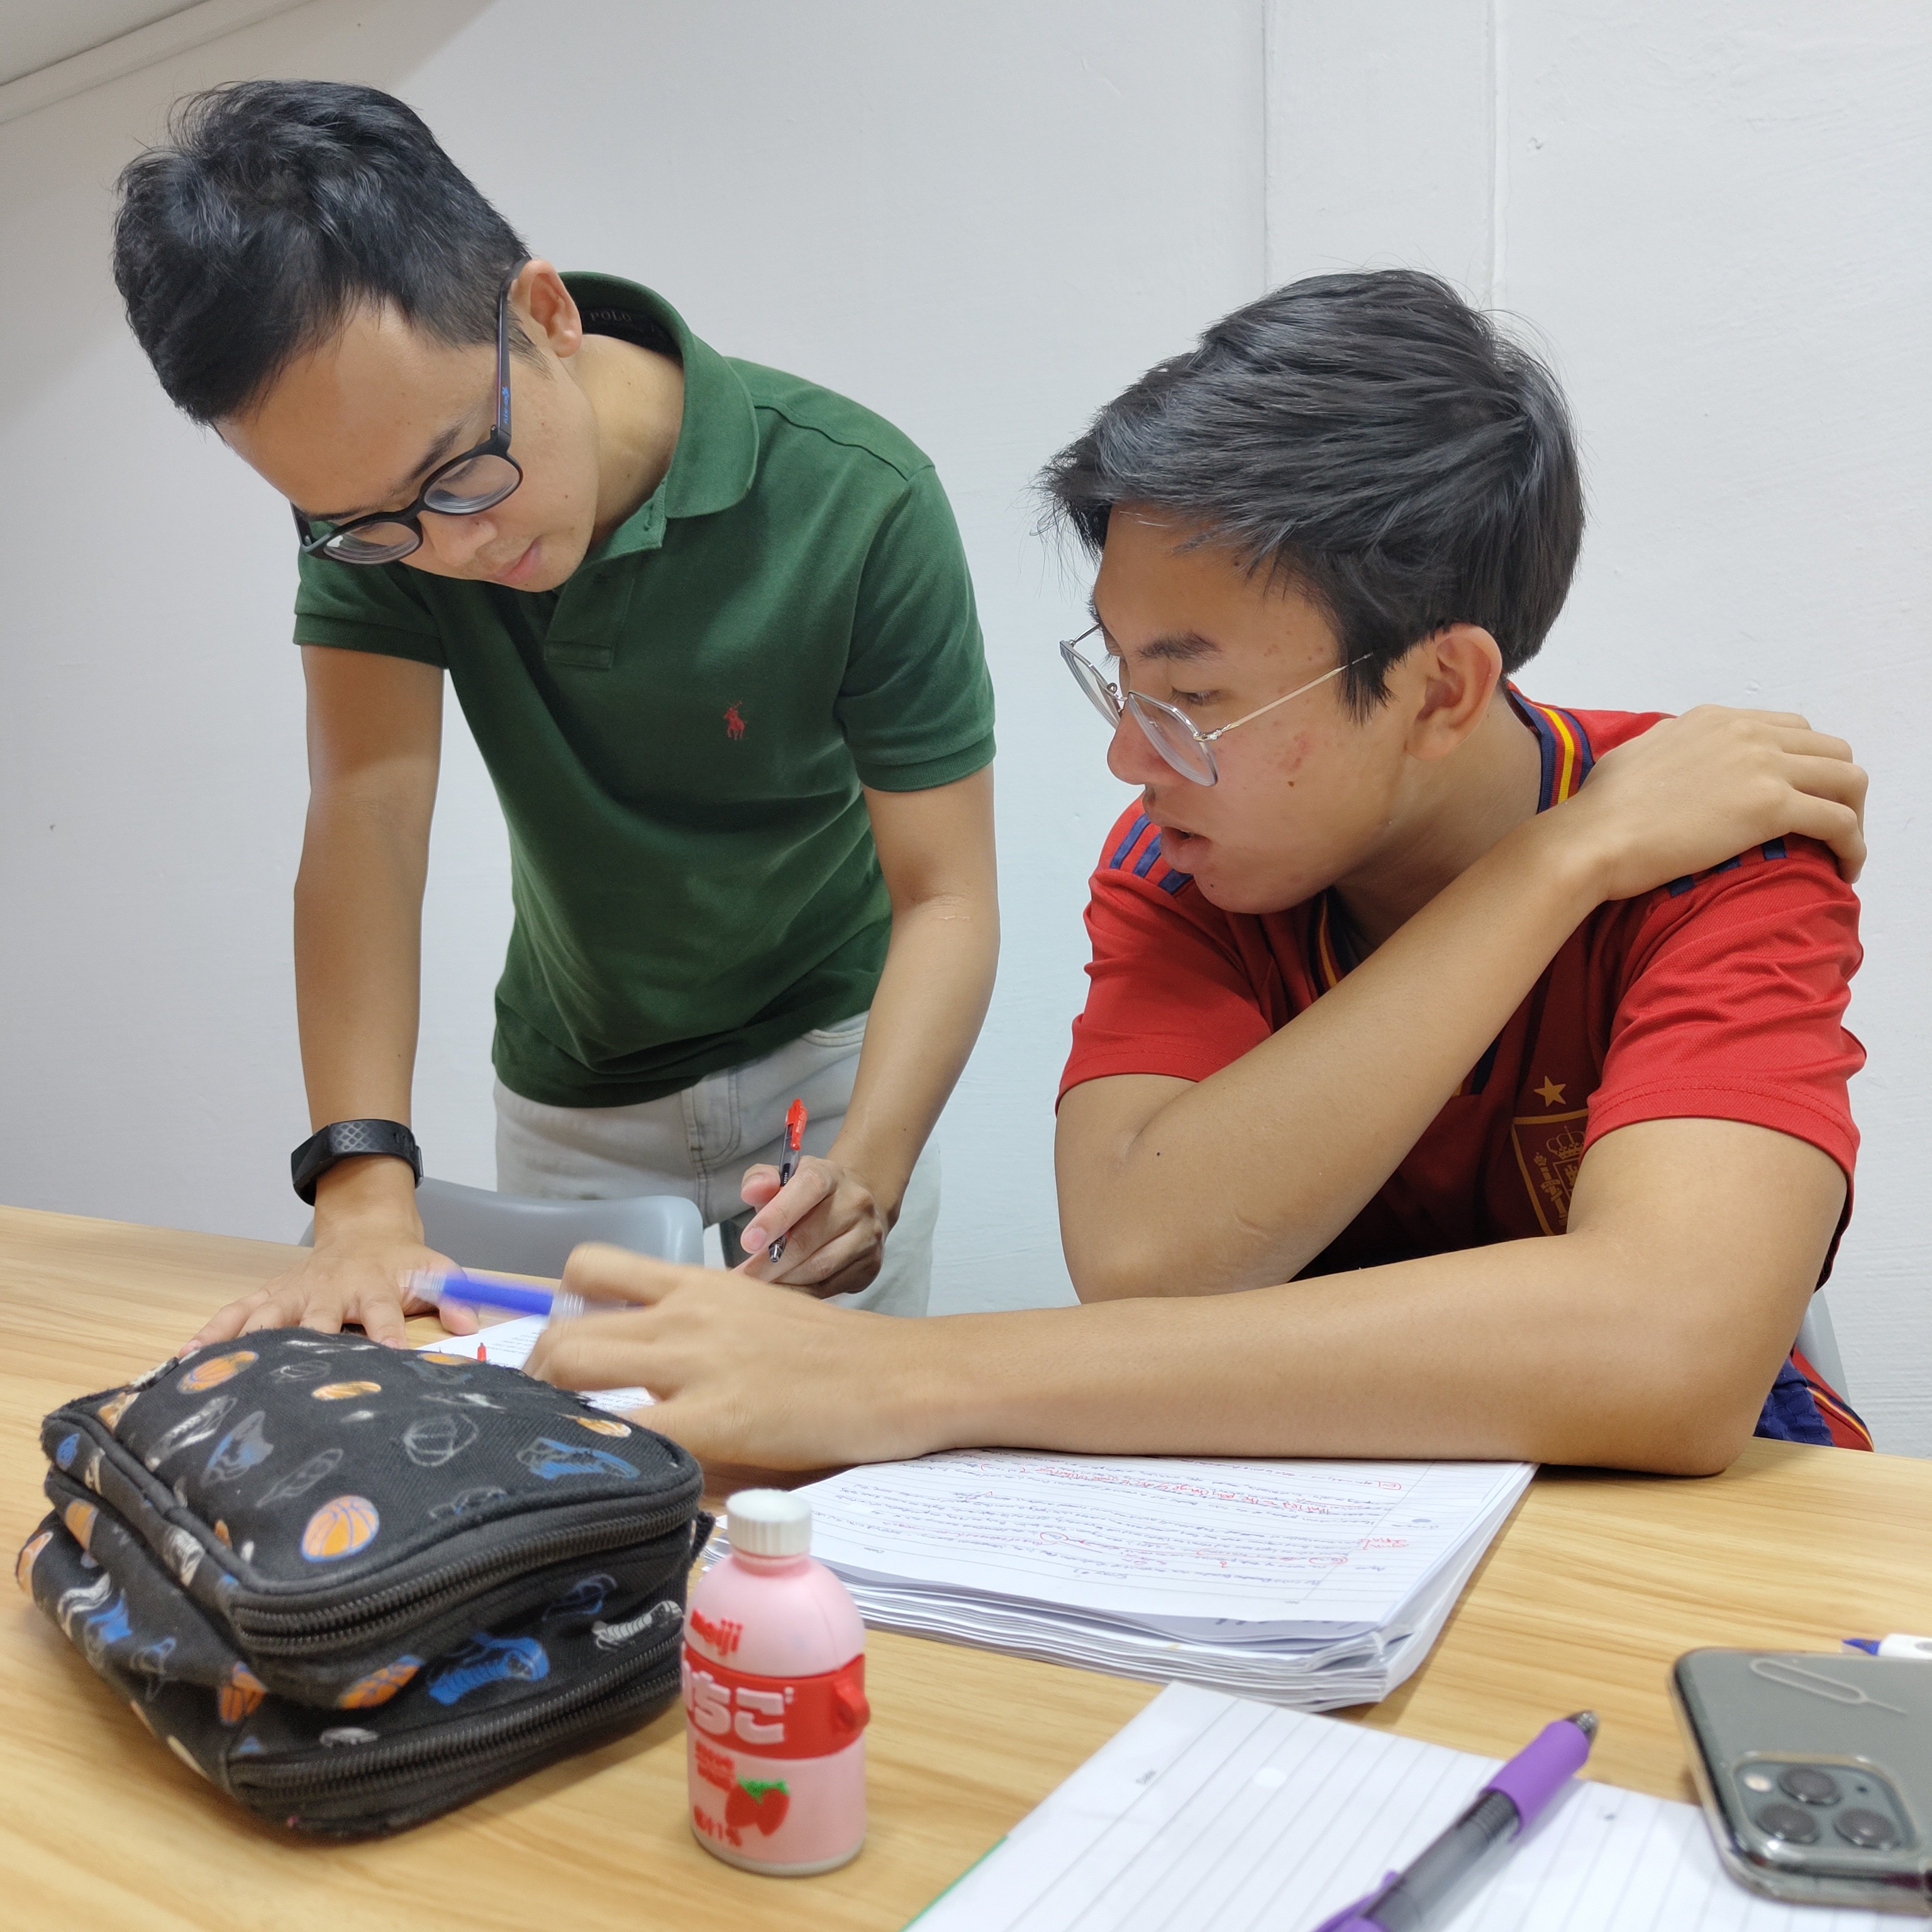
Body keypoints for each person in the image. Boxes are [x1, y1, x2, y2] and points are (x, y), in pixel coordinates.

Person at [519, 271, 1870, 1477]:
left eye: (1192, 696)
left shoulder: (1716, 843)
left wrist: (904, 1377)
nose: (1129, 756)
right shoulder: (1192, 865)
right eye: (1119, 674)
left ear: (1442, 689)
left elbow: (1672, 1350)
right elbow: (1145, 1257)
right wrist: (1553, 870)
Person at [110, 80, 997, 1345]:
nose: (451, 548)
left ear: (544, 312)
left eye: (462, 472)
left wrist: (872, 1166)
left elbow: (947, 892)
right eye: (366, 524)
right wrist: (363, 1191)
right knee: (577, 1444)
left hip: (837, 1059)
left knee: (830, 1435)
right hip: (572, 1089)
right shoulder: (384, 520)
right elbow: (366, 816)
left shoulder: (859, 498)